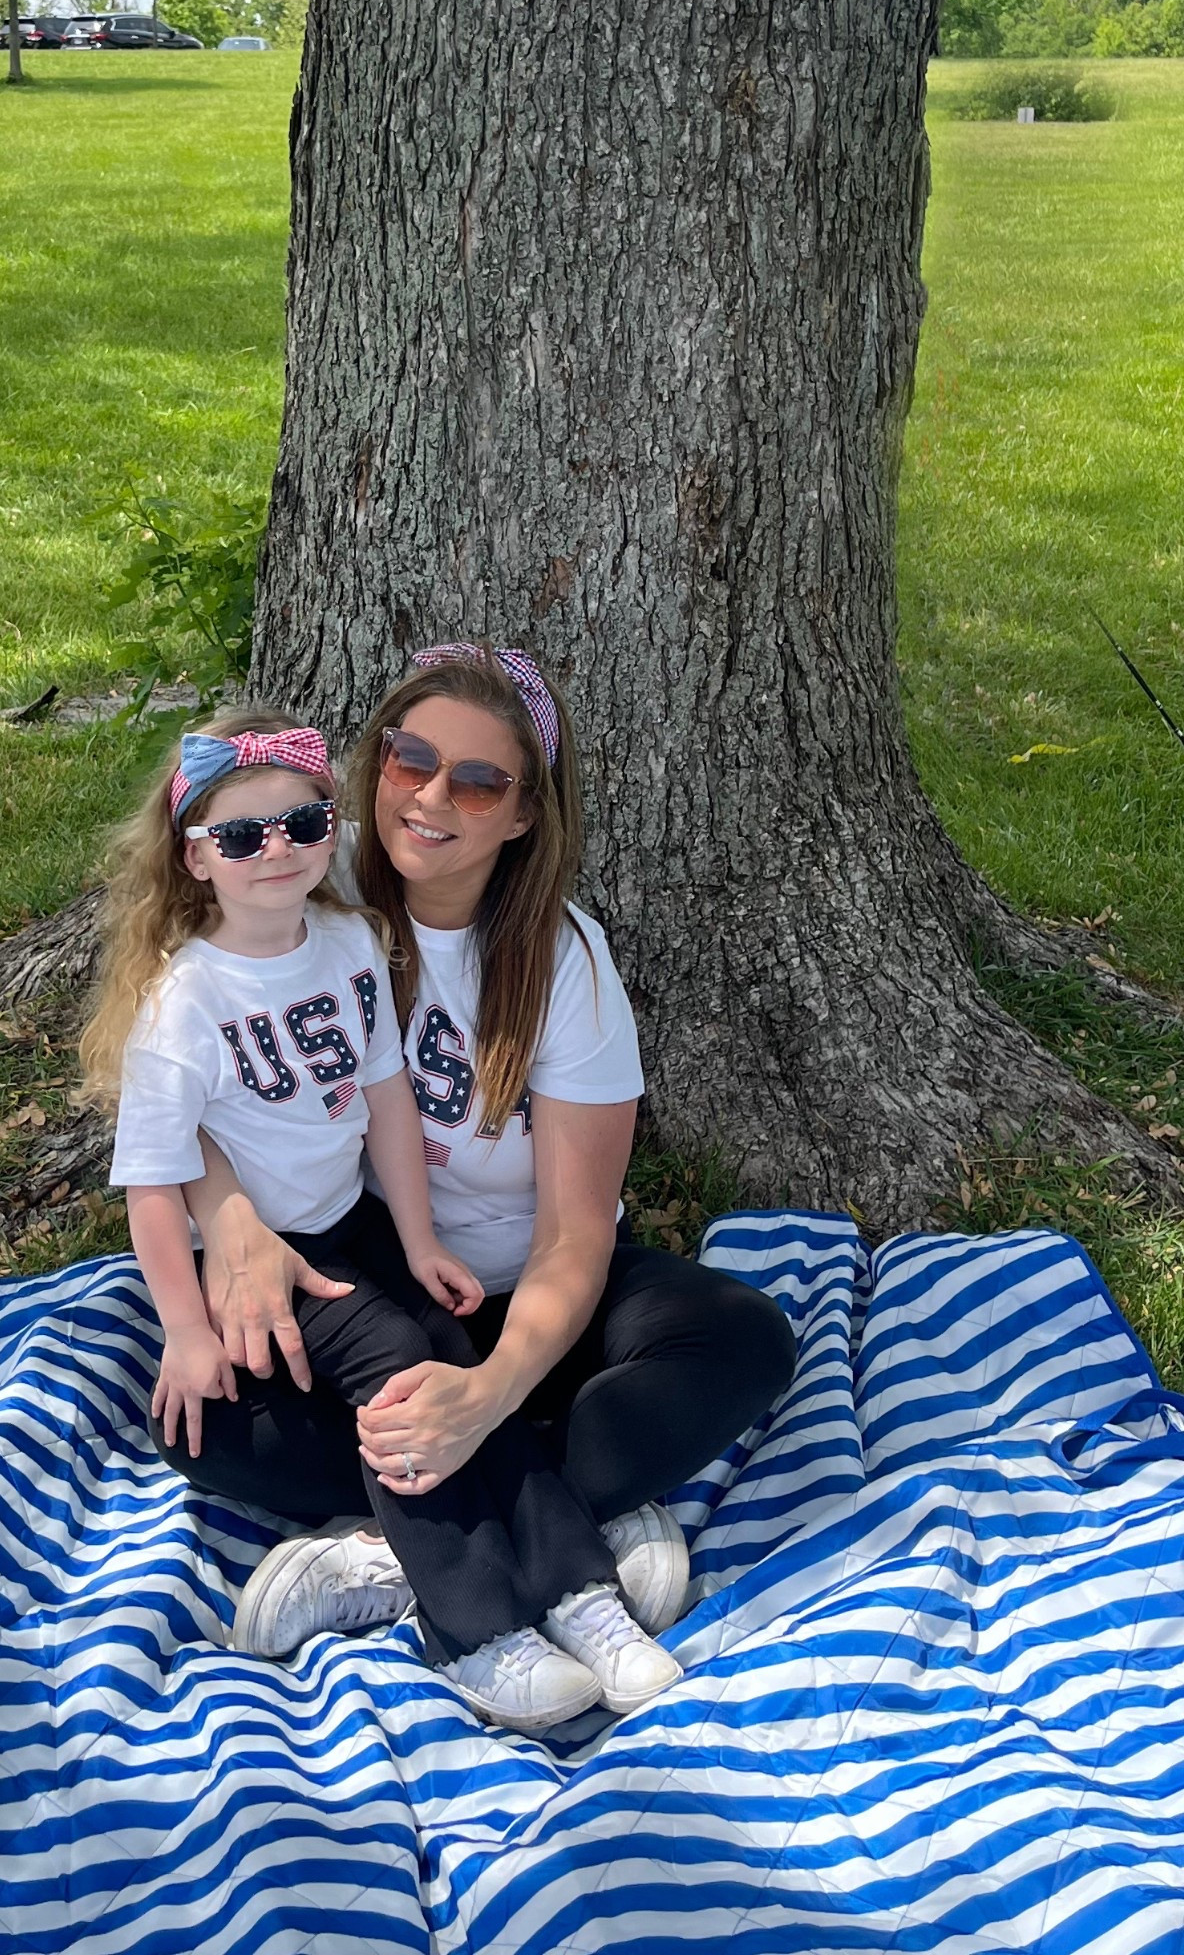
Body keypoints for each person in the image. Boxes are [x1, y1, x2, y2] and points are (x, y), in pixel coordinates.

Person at [168, 648, 800, 1709]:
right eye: (411, 759)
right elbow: (179, 1067)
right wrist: (224, 1210)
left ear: (523, 816)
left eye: (478, 780)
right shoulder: (297, 888)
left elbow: (574, 1238)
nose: (430, 796)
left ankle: (408, 1544)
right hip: (373, 1301)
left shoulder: (565, 960)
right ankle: (551, 1525)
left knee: (741, 1339)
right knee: (206, 1414)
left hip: (524, 1306)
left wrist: (490, 1392)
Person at [80, 704, 683, 1733]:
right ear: (198, 857)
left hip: (402, 1242)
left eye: (303, 825)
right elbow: (152, 1173)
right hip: (291, 1253)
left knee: (447, 1359)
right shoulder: (204, 980)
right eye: (240, 836)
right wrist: (188, 1319)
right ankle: (493, 1620)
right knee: (363, 1380)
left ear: (525, 814)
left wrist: (418, 1243)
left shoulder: (356, 934)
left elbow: (386, 1094)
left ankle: (551, 1595)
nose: (277, 848)